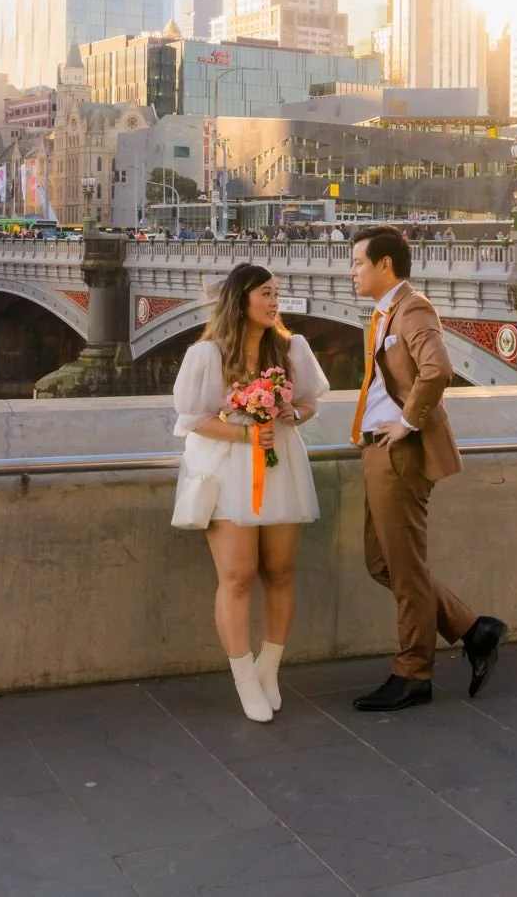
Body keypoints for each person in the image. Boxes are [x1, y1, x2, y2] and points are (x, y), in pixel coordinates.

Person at [348, 224, 505, 712]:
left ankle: (414, 672)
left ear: (385, 266)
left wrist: (404, 424)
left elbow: (437, 370)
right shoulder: (385, 314)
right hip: (376, 451)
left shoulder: (412, 308)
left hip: (399, 455)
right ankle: (472, 629)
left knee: (406, 568)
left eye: (358, 262)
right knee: (383, 564)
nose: (352, 271)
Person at [171, 264, 330, 723]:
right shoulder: (207, 354)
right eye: (265, 292)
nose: (274, 300)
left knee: (280, 571)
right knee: (238, 576)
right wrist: (245, 435)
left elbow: (310, 403)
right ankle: (243, 678)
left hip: (279, 464)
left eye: (276, 292)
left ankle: (269, 669)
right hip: (228, 469)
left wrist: (285, 414)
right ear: (241, 299)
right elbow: (193, 419)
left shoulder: (291, 347)